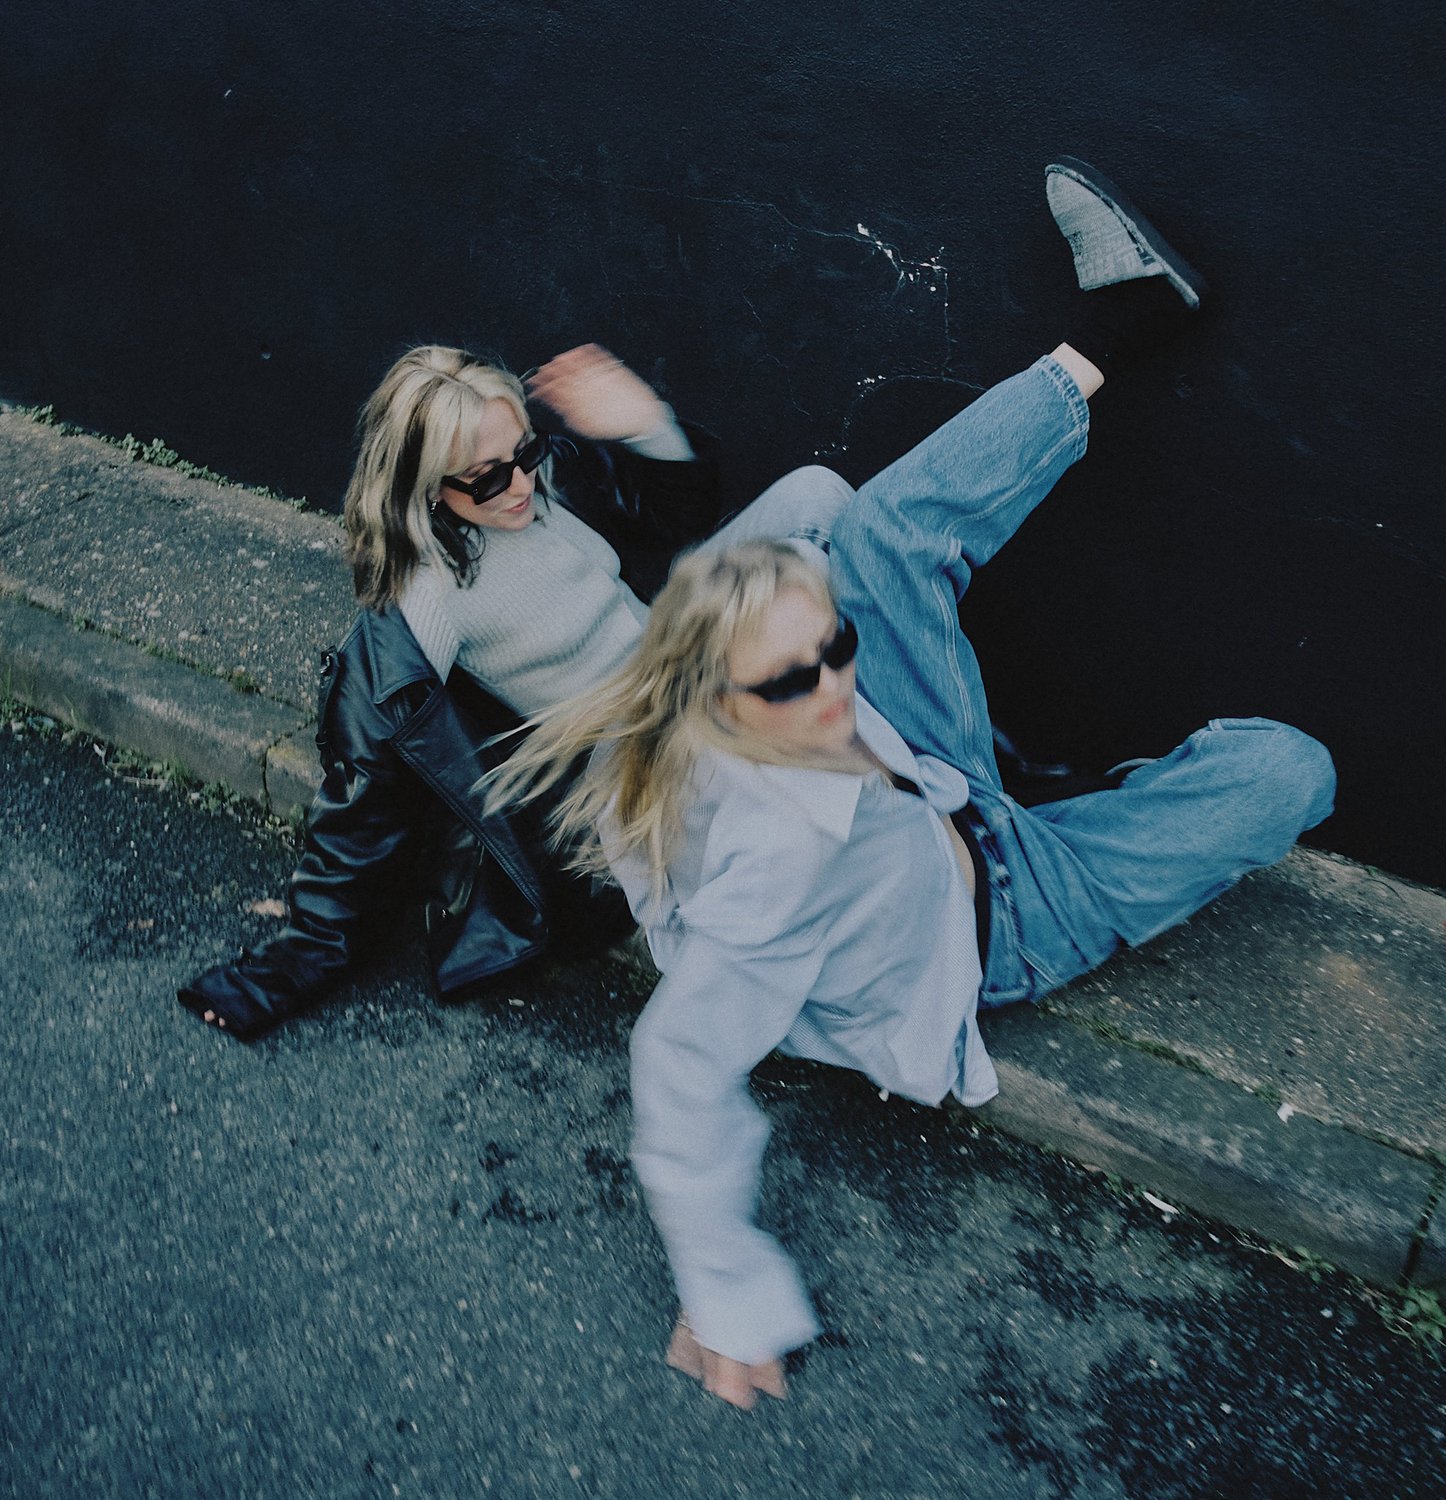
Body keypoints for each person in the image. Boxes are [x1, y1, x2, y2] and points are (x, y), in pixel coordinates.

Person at [486, 159, 1336, 1409]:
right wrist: (724, 1285)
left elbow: (811, 517)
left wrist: (660, 437)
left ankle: (1121, 327)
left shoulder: (761, 674)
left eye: (832, 647)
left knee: (863, 523)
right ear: (717, 705)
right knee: (1289, 772)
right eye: (794, 679)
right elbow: (679, 1073)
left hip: (929, 773)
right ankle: (1091, 798)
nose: (833, 681)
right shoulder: (771, 867)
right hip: (1012, 920)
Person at [177, 342, 853, 1040]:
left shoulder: (539, 480)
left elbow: (676, 516)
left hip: (677, 651)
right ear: (426, 485)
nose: (521, 485)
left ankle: (843, 716)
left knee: (816, 497)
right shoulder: (426, 595)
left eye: (525, 452)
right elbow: (365, 784)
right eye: (487, 478)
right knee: (787, 694)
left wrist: (648, 425)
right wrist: (303, 953)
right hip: (638, 746)